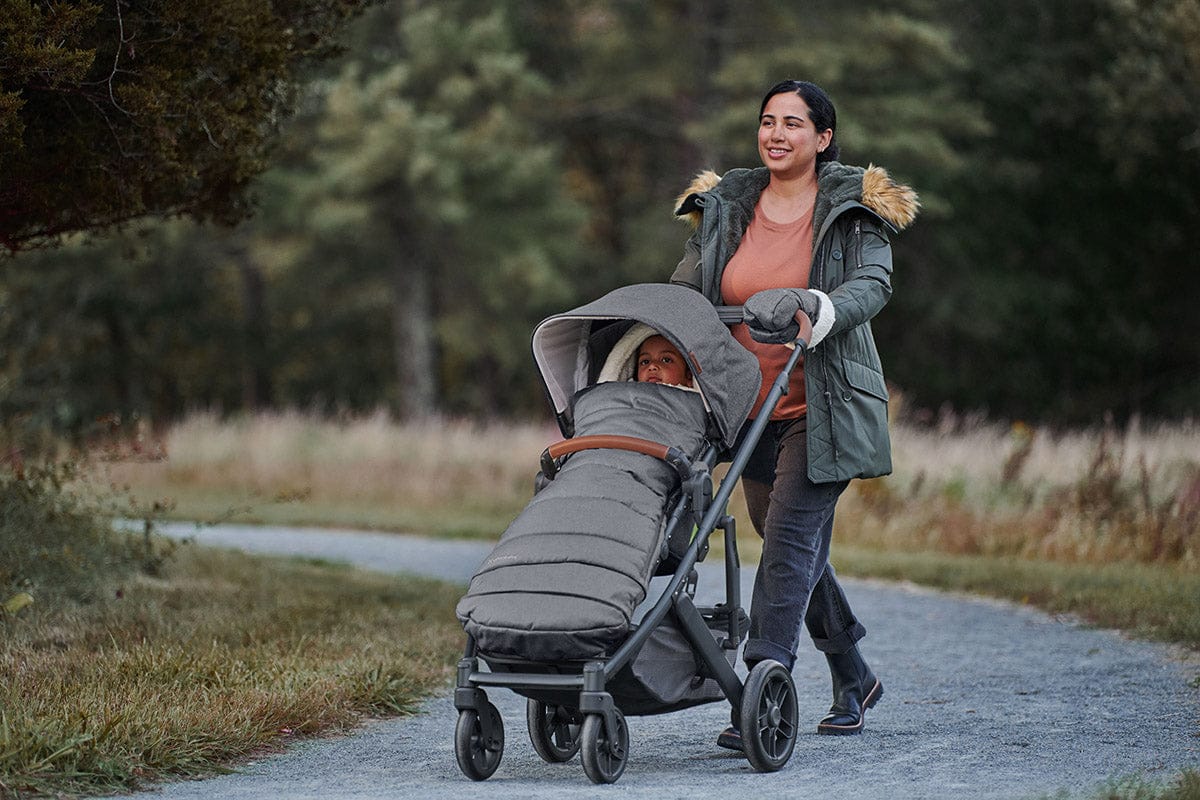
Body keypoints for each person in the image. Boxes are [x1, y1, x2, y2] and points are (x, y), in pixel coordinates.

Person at [670, 79, 919, 747]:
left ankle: (762, 683)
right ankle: (853, 672)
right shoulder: (728, 203)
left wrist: (816, 304)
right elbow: (688, 285)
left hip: (822, 405)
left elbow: (872, 284)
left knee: (785, 544)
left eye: (793, 123)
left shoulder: (853, 207)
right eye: (767, 121)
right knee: (787, 536)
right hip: (747, 407)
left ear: (823, 137)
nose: (776, 134)